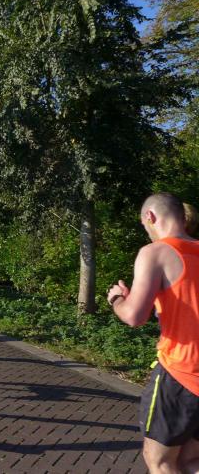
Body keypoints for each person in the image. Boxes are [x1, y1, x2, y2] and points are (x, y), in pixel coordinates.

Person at [108, 193, 199, 472]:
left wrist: (117, 299)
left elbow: (134, 316)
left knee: (160, 461)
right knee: (190, 460)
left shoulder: (155, 252)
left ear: (150, 217)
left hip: (181, 373)